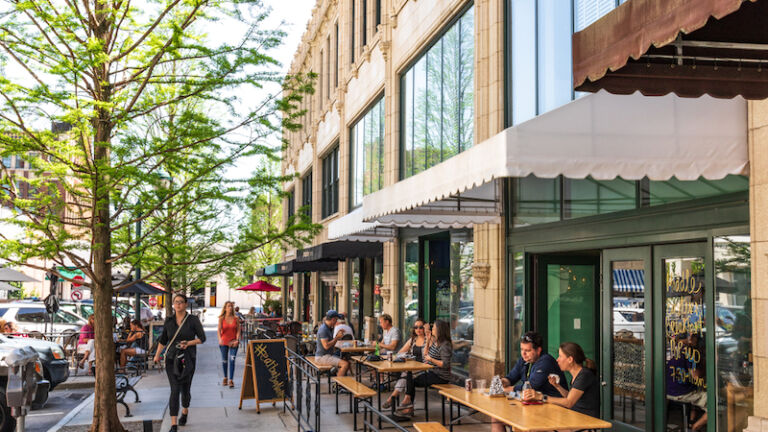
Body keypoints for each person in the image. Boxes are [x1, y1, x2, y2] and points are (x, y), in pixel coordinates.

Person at [491, 331, 567, 432]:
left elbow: (531, 386)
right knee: (497, 417)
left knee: (519, 422)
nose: (524, 353)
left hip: (553, 407)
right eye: (522, 349)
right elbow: (511, 377)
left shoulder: (546, 361)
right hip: (535, 405)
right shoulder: (525, 359)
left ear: (538, 350)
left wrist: (506, 389)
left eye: (527, 350)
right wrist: (503, 382)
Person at [153, 293, 206, 432]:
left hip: (188, 359)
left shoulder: (193, 320)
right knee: (175, 389)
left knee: (185, 390)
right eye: (176, 302)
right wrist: (157, 355)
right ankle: (173, 424)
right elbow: (163, 340)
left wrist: (188, 343)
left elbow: (202, 338)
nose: (178, 304)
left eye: (181, 302)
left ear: (186, 304)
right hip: (171, 359)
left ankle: (185, 411)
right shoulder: (169, 320)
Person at [520, 342, 600, 422]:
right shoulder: (578, 375)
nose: (557, 360)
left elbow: (569, 402)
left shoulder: (584, 375)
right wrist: (557, 386)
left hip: (585, 421)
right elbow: (569, 397)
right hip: (575, 417)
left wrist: (541, 397)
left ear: (570, 359)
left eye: (560, 356)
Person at [396, 320, 453, 417]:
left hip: (441, 376)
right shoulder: (436, 342)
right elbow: (426, 354)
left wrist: (431, 359)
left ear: (440, 330)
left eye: (434, 328)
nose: (432, 330)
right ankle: (408, 403)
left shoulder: (445, 345)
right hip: (432, 372)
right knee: (410, 375)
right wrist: (427, 340)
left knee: (412, 380)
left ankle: (408, 404)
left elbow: (445, 364)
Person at [383, 318, 428, 409]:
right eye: (416, 327)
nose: (418, 329)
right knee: (407, 374)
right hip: (413, 367)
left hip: (424, 368)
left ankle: (393, 397)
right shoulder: (413, 340)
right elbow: (400, 352)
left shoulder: (428, 340)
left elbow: (428, 356)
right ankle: (404, 402)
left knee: (407, 374)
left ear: (425, 328)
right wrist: (406, 356)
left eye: (420, 327)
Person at [314, 310, 350, 376]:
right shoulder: (323, 329)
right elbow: (326, 346)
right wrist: (337, 338)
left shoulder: (328, 328)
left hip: (327, 355)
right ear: (333, 319)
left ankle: (337, 377)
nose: (337, 322)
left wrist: (337, 336)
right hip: (322, 357)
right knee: (345, 364)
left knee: (345, 360)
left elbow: (330, 343)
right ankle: (338, 384)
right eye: (336, 320)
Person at [218, 301, 241, 388]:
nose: (230, 308)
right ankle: (225, 377)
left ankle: (231, 380)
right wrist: (220, 339)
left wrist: (237, 340)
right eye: (228, 306)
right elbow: (219, 330)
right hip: (224, 342)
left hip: (234, 342)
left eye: (231, 306)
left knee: (232, 360)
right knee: (224, 360)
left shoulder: (236, 318)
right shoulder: (221, 318)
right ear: (225, 308)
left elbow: (238, 330)